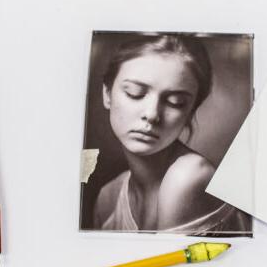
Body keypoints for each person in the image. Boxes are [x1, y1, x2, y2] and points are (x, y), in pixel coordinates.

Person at [92, 35, 250, 235]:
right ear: (107, 94)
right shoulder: (108, 197)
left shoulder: (189, 175)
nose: (151, 114)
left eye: (175, 102)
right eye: (135, 93)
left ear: (190, 111)